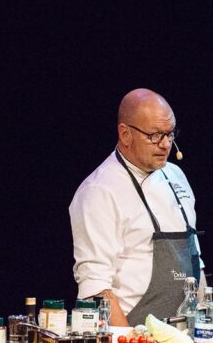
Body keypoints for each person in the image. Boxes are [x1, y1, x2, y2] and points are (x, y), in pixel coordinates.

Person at [69, 88, 204, 327]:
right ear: (125, 134)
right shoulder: (99, 191)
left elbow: (195, 259)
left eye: (170, 134)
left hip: (186, 335)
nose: (165, 144)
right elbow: (97, 288)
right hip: (134, 337)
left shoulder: (176, 177)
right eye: (155, 135)